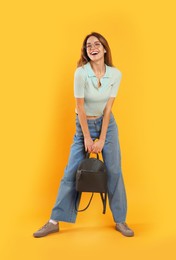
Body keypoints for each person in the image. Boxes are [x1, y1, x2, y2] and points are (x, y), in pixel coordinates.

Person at [33, 32, 134, 238]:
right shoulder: (81, 73)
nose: (93, 47)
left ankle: (121, 221)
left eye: (97, 44)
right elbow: (79, 106)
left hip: (107, 124)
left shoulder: (116, 74)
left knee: (114, 171)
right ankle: (54, 221)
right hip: (83, 125)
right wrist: (88, 138)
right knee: (71, 172)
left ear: (105, 48)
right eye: (88, 45)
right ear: (86, 52)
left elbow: (108, 109)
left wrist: (103, 138)